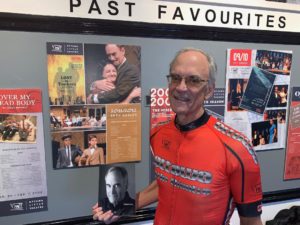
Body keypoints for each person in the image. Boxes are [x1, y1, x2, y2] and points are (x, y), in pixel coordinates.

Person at [92, 48, 263, 225]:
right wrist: (124, 205)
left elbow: (251, 221)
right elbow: (167, 181)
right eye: (175, 78)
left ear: (209, 90)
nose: (181, 87)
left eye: (193, 80)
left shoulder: (236, 148)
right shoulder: (158, 134)